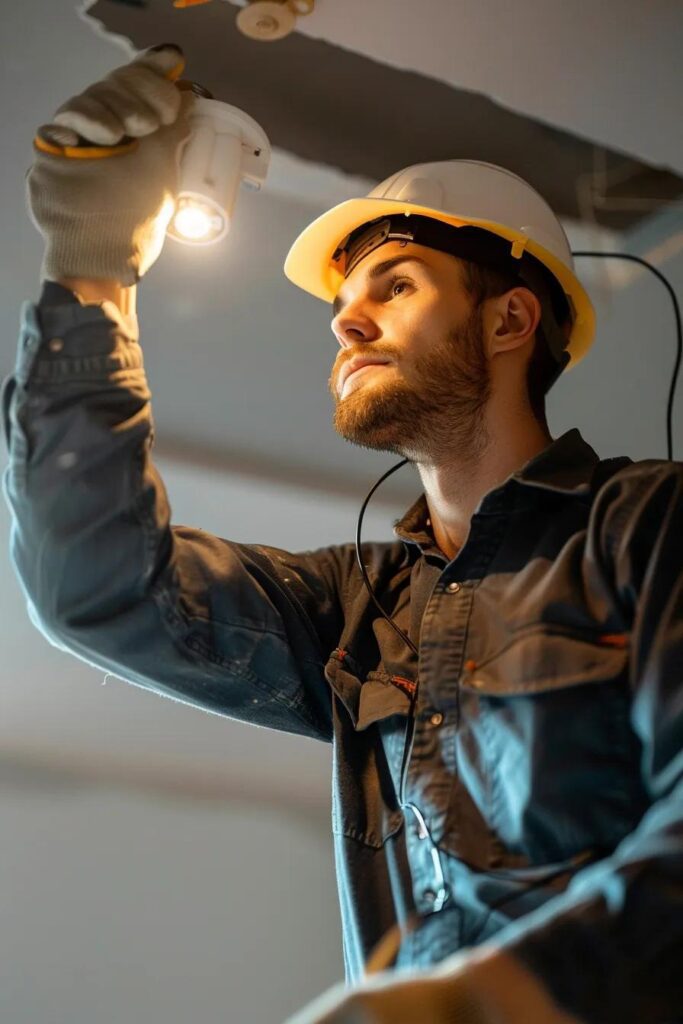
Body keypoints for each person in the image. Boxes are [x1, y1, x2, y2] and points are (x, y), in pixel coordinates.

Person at [5, 43, 682, 1024]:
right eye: (339, 304)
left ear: (508, 320)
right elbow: (96, 585)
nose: (344, 323)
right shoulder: (356, 611)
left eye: (392, 286)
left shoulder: (646, 524)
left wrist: (480, 1002)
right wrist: (88, 263)